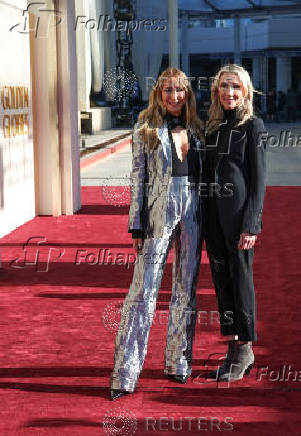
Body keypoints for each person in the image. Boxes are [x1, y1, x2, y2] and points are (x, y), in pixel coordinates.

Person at [110, 67, 204, 400]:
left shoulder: (198, 127)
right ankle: (125, 373)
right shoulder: (145, 129)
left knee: (185, 288)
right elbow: (138, 179)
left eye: (180, 90)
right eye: (168, 90)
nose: (174, 96)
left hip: (192, 213)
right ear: (158, 94)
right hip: (157, 215)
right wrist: (136, 223)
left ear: (187, 93)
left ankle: (178, 362)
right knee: (143, 290)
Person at [203, 64, 266, 382]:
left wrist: (252, 224)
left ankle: (246, 346)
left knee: (241, 283)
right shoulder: (212, 127)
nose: (229, 92)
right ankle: (233, 344)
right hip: (213, 220)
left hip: (239, 218)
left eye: (236, 87)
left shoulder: (252, 126)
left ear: (245, 91)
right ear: (217, 91)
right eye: (224, 86)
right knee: (221, 283)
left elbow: (258, 181)